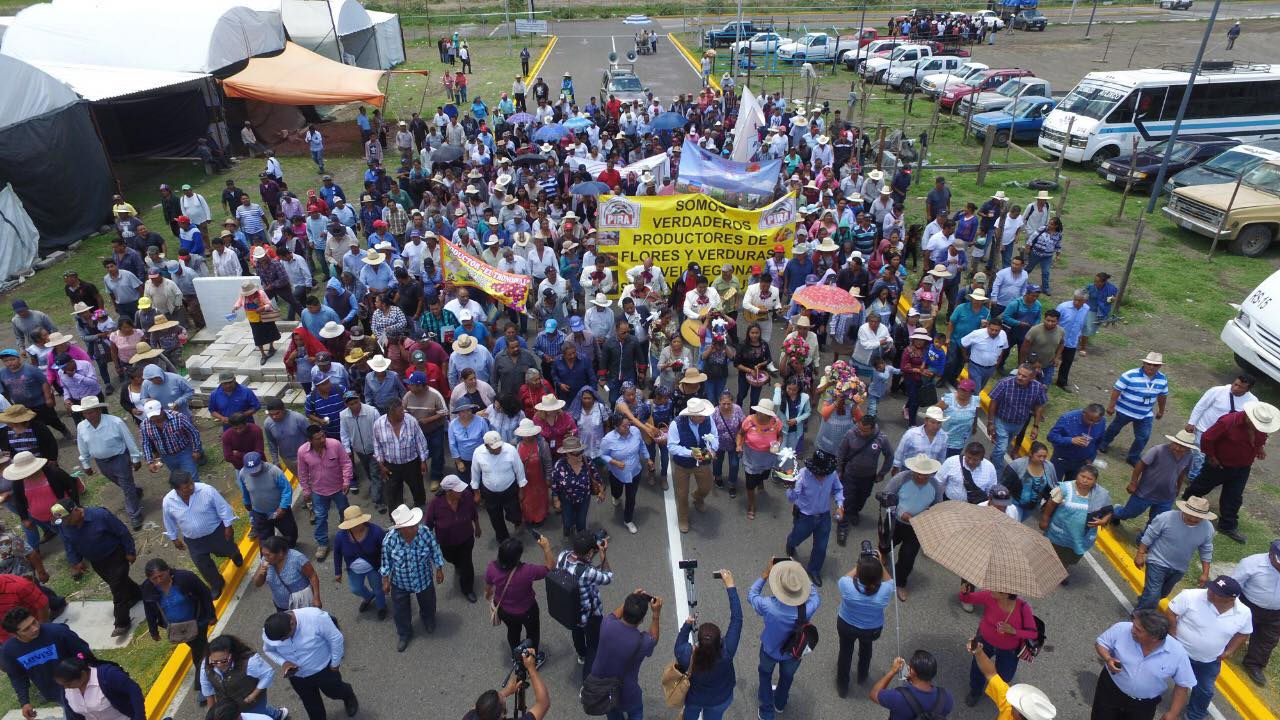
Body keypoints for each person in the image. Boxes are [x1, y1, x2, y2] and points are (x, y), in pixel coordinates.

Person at [1182, 400, 1278, 544]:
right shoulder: (1228, 422)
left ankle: (1227, 525)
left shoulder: (1261, 427)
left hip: (1243, 467)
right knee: (1202, 486)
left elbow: (1260, 439)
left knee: (1234, 496)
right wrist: (1211, 456)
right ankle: (1188, 500)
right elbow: (1207, 438)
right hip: (1220, 465)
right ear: (1248, 416)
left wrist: (1259, 449)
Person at [1166, 576, 1253, 720]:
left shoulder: (1244, 613)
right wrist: (1172, 633)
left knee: (1205, 690)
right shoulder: (1191, 595)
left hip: (1208, 660)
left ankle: (1195, 715)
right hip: (1177, 651)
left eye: (1216, 593)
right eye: (1211, 588)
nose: (1210, 592)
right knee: (1156, 672)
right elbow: (1171, 612)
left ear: (1231, 599)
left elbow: (1243, 634)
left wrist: (1229, 652)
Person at [49, 502, 140, 638]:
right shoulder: (64, 525)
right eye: (62, 521)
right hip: (97, 562)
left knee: (117, 589)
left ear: (75, 511)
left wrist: (130, 551)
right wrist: (76, 561)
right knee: (119, 584)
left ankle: (122, 623)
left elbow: (122, 532)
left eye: (67, 519)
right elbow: (69, 544)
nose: (65, 523)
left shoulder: (100, 515)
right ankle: (137, 594)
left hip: (115, 555)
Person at [1092, 610, 1195, 720]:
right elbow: (1101, 643)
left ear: (1154, 637)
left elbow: (1182, 686)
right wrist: (1108, 658)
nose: (1132, 630)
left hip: (1143, 707)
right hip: (1110, 692)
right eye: (1134, 625)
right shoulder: (1122, 628)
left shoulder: (1178, 654)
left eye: (1138, 630)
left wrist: (1172, 714)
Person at [750, 558, 820, 720]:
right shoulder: (807, 608)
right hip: (794, 653)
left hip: (769, 650)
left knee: (765, 675)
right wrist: (801, 574)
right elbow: (815, 595)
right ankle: (780, 703)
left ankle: (767, 711)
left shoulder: (768, 605)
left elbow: (752, 594)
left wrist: (765, 574)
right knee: (787, 676)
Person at [261, 608, 359, 720]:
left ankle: (348, 695)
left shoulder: (316, 618)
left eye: (284, 638)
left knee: (335, 692)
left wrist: (335, 663)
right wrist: (284, 662)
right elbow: (268, 650)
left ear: (292, 623)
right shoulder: (271, 631)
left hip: (324, 670)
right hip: (298, 677)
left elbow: (336, 639)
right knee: (311, 706)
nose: (283, 642)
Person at [141, 558, 216, 697]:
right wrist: (153, 630)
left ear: (168, 570)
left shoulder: (186, 578)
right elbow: (149, 610)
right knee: (201, 649)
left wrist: (211, 614)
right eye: (154, 578)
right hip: (176, 627)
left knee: (199, 651)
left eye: (161, 575)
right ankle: (215, 660)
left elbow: (204, 593)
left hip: (198, 621)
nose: (159, 581)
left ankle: (202, 687)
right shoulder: (147, 589)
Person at [2, 606, 94, 720]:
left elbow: (84, 654)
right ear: (14, 635)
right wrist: (25, 702)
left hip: (79, 685)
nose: (34, 628)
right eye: (26, 629)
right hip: (54, 692)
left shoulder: (59, 632)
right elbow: (17, 677)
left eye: (34, 622)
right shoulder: (9, 651)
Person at [161, 471, 244, 597]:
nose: (191, 487)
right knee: (202, 564)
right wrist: (174, 538)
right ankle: (216, 583)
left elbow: (223, 508)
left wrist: (228, 526)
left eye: (191, 483)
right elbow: (168, 520)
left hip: (216, 532)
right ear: (176, 489)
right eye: (186, 487)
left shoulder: (206, 490)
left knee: (226, 549)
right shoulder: (168, 501)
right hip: (193, 540)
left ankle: (234, 554)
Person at [674, 569, 741, 720]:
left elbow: (679, 644)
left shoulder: (687, 655)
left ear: (698, 641)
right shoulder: (727, 652)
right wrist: (730, 586)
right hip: (720, 699)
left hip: (694, 699)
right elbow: (737, 619)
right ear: (720, 642)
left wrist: (686, 626)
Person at [959, 580, 1038, 707]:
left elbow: (1033, 634)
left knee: (1004, 676)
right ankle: (975, 691)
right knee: (977, 669)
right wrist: (964, 593)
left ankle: (996, 692)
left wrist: (1014, 631)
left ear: (1006, 593)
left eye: (996, 588)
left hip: (1009, 650)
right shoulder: (989, 596)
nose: (991, 589)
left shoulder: (1023, 608)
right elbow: (968, 599)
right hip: (984, 642)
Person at [381, 503, 445, 652]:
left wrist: (439, 569)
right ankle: (404, 633)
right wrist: (385, 580)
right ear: (401, 529)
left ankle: (428, 618)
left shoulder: (425, 532)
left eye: (415, 524)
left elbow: (435, 549)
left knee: (428, 602)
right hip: (400, 582)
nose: (416, 528)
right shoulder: (389, 540)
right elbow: (386, 562)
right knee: (400, 610)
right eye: (411, 527)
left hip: (423, 578)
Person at [73, 396, 144, 529]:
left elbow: (129, 440)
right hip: (101, 462)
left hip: (120, 458)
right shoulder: (81, 427)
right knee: (124, 484)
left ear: (99, 410)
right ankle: (135, 492)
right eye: (86, 412)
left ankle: (135, 515)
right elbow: (82, 446)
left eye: (92, 411)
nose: (89, 415)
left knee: (126, 486)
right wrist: (86, 464)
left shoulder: (115, 422)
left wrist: (135, 458)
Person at [1134, 498, 1216, 610]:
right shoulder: (1166, 518)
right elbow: (1149, 535)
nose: (1193, 519)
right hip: (1157, 561)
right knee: (1153, 595)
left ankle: (1144, 602)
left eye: (1197, 517)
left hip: (1179, 568)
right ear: (1184, 510)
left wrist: (1205, 573)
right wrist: (1140, 554)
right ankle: (1139, 618)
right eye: (1190, 515)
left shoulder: (1208, 528)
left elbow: (1206, 550)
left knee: (1162, 594)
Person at [591, 590, 662, 720]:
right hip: (628, 693)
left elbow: (615, 614)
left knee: (612, 713)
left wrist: (630, 600)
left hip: (604, 691)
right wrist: (656, 613)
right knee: (635, 712)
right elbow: (654, 638)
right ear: (641, 620)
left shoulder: (606, 624)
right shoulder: (642, 642)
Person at [883, 454, 945, 601]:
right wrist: (900, 512)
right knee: (885, 543)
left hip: (917, 526)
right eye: (918, 473)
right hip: (895, 521)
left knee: (908, 556)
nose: (921, 477)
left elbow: (937, 505)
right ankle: (883, 554)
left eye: (924, 475)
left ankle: (900, 582)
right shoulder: (901, 478)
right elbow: (886, 496)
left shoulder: (935, 485)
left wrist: (927, 516)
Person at [835, 547, 894, 696]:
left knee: (845, 652)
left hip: (846, 625)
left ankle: (843, 686)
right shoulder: (885, 591)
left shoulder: (847, 586)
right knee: (866, 649)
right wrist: (879, 563)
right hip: (871, 629)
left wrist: (861, 564)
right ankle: (862, 675)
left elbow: (845, 577)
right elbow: (890, 581)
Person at [556, 531, 614, 679]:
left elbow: (579, 562)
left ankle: (581, 654)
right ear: (589, 553)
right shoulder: (587, 572)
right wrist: (603, 555)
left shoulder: (563, 556)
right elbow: (608, 578)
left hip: (571, 611)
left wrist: (590, 555)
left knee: (577, 633)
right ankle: (587, 681)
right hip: (589, 614)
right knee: (593, 645)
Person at [1041, 464, 1112, 581]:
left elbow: (1108, 511)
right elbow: (1051, 504)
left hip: (1081, 536)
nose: (1084, 480)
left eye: (1089, 479)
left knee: (1069, 555)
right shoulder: (1065, 488)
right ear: (1077, 475)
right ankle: (1047, 568)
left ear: (1095, 481)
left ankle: (1060, 571)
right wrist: (1045, 519)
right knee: (1053, 551)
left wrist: (1104, 520)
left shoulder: (1101, 494)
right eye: (1082, 476)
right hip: (1060, 533)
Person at [1113, 429, 1196, 528]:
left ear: (1188, 448)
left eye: (1182, 447)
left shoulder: (1189, 456)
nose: (1178, 448)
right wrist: (1133, 483)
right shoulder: (1158, 450)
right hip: (1145, 492)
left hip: (1166, 496)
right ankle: (1115, 512)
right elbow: (1140, 464)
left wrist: (1178, 487)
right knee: (1129, 513)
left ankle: (1142, 540)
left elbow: (1182, 472)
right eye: (1176, 444)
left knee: (1157, 522)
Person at [785, 450, 844, 587]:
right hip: (805, 516)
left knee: (821, 547)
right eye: (819, 473)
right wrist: (791, 488)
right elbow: (791, 498)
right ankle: (791, 543)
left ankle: (814, 570)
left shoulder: (832, 474)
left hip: (824, 516)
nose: (822, 476)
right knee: (796, 537)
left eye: (824, 473)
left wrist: (840, 505)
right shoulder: (802, 475)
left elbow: (838, 489)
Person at [1101, 352, 1170, 466]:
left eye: (1155, 365)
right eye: (1149, 364)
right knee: (1114, 428)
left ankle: (1133, 457)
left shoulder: (1162, 379)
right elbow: (1117, 390)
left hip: (1145, 414)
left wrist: (1161, 410)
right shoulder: (1130, 374)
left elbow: (1162, 396)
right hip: (1125, 410)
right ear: (1144, 363)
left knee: (1143, 436)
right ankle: (1103, 443)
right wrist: (1111, 406)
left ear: (1160, 366)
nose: (1152, 367)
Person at [200, 634, 288, 720]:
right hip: (227, 708)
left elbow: (268, 674)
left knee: (258, 713)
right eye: (214, 661)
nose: (218, 665)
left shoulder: (250, 661)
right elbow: (207, 687)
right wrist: (212, 713)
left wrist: (252, 696)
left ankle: (277, 715)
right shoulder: (206, 663)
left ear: (231, 654)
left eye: (223, 661)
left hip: (250, 703)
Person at [297, 425, 352, 562]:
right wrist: (306, 490)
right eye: (318, 438)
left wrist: (346, 481)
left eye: (323, 436)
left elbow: (346, 463)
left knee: (345, 514)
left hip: (339, 488)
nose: (323, 439)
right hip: (318, 491)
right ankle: (322, 544)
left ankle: (348, 536)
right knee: (320, 518)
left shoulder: (335, 444)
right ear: (310, 440)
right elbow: (302, 472)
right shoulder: (302, 452)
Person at [424, 474, 480, 603]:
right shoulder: (436, 505)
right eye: (458, 490)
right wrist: (428, 542)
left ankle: (468, 589)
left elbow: (473, 512)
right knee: (451, 558)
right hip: (447, 542)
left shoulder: (466, 496)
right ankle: (458, 564)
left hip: (466, 538)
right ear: (448, 492)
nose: (462, 491)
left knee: (466, 564)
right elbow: (429, 524)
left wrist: (477, 526)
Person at [1231, 538, 1280, 686]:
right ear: (1271, 554)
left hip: (1276, 613)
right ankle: (1223, 648)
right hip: (1249, 605)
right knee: (1235, 629)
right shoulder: (1251, 563)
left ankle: (1254, 664)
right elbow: (1235, 584)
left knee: (1267, 640)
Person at [968, 640, 1057, 720]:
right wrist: (978, 652)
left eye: (1016, 706)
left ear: (1019, 716)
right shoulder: (1010, 706)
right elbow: (991, 674)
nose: (1012, 703)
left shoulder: (1010, 709)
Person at [669, 397, 719, 534]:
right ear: (691, 415)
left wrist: (713, 449)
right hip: (682, 465)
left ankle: (698, 497)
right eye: (700, 416)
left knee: (706, 487)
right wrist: (690, 453)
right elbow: (672, 447)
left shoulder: (708, 419)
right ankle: (683, 518)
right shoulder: (676, 424)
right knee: (682, 494)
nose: (704, 418)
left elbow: (714, 436)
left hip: (702, 461)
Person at [986, 364, 1047, 475]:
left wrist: (1036, 426)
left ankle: (995, 457)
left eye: (1024, 376)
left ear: (1032, 377)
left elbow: (1039, 406)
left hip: (1019, 424)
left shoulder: (1037, 387)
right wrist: (990, 422)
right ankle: (997, 473)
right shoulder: (1004, 384)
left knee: (1001, 448)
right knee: (1002, 448)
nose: (1019, 377)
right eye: (1019, 374)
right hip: (1001, 421)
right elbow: (993, 402)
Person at [599, 413, 653, 534]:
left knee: (631, 497)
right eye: (624, 426)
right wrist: (614, 462)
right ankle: (616, 496)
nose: (628, 428)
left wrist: (648, 459)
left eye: (628, 424)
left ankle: (628, 520)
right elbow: (602, 455)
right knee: (616, 492)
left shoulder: (635, 431)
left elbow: (641, 445)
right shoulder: (608, 439)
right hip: (617, 474)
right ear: (616, 427)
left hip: (635, 472)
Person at [332, 505, 387, 620]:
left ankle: (381, 606)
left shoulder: (376, 532)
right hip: (354, 570)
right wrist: (338, 572)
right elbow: (337, 553)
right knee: (355, 589)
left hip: (374, 567)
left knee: (378, 589)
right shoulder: (340, 536)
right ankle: (368, 597)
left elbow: (385, 550)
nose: (355, 526)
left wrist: (386, 570)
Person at [471, 430, 526, 542]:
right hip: (489, 491)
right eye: (494, 448)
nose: (498, 449)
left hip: (509, 489)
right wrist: (476, 493)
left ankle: (517, 522)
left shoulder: (510, 450)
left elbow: (519, 470)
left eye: (499, 446)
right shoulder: (478, 453)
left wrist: (521, 490)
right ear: (487, 446)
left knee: (515, 514)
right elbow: (475, 472)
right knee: (495, 518)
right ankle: (503, 539)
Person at [468, 646, 551, 720]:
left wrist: (507, 691)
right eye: (502, 699)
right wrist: (531, 668)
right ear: (502, 715)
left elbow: (478, 708)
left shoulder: (471, 716)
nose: (504, 697)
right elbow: (543, 703)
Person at [54, 656, 145, 720]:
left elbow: (134, 690)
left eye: (69, 684)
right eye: (63, 685)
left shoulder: (108, 675)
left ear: (83, 674)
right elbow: (73, 715)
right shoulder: (66, 689)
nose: (66, 688)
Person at [238, 452, 298, 547]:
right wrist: (247, 502)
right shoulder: (242, 474)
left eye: (256, 469)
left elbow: (286, 490)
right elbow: (245, 490)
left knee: (290, 534)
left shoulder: (274, 471)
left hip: (279, 511)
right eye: (251, 470)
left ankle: (291, 548)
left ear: (261, 462)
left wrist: (282, 507)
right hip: (259, 513)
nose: (254, 473)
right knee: (265, 543)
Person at [549, 435, 604, 537]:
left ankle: (581, 541)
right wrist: (556, 500)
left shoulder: (587, 461)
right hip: (567, 499)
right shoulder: (559, 466)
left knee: (581, 522)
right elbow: (554, 485)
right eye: (576, 454)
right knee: (567, 521)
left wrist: (601, 491)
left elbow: (597, 477)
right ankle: (568, 527)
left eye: (581, 452)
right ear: (567, 454)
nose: (579, 456)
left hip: (584, 498)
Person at [255, 535, 321, 612]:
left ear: (280, 553)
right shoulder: (265, 561)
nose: (265, 558)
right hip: (281, 606)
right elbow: (257, 584)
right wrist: (260, 574)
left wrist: (316, 598)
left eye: (268, 555)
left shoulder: (297, 558)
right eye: (263, 554)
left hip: (302, 604)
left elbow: (312, 575)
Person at [141, 399, 203, 481]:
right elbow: (146, 443)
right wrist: (150, 461)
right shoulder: (145, 425)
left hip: (184, 453)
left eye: (157, 415)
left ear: (162, 409)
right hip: (167, 457)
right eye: (152, 417)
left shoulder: (178, 417)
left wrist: (196, 450)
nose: (155, 418)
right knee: (179, 480)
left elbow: (193, 432)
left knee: (192, 478)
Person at [1046, 403, 1107, 482]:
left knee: (1072, 489)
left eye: (1096, 422)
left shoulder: (1101, 422)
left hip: (1081, 462)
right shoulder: (1068, 418)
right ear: (1084, 413)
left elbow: (1098, 441)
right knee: (1051, 486)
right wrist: (1071, 440)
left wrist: (1091, 458)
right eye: (1090, 420)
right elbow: (1051, 436)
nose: (1092, 424)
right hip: (1061, 459)